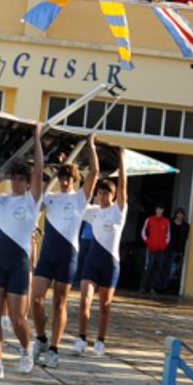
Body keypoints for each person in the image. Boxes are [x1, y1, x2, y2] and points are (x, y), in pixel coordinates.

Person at [0, 124, 45, 379]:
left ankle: (26, 350)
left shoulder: (32, 200)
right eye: (13, 179)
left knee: (17, 318)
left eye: (20, 179)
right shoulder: (3, 200)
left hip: (18, 264)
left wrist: (36, 137)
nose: (16, 183)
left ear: (28, 184)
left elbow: (38, 169)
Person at [30, 134, 99, 369]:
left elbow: (95, 173)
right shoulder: (50, 198)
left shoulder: (80, 198)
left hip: (67, 256)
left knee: (60, 302)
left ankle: (54, 349)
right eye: (61, 177)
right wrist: (38, 141)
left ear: (75, 179)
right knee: (35, 299)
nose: (65, 181)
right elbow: (36, 186)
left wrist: (91, 146)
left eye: (68, 177)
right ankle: (41, 338)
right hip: (48, 255)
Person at [74, 149, 127, 356]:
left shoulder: (118, 211)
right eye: (100, 193)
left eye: (107, 193)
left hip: (110, 265)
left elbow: (123, 186)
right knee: (85, 299)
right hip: (92, 262)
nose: (103, 196)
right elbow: (78, 199)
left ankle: (100, 340)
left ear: (113, 196)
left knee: (104, 305)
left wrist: (122, 160)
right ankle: (81, 338)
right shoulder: (92, 211)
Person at [139, 206, 172, 293]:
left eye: (161, 209)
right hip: (151, 248)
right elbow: (143, 231)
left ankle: (152, 287)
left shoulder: (166, 221)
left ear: (163, 210)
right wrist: (148, 242)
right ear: (155, 210)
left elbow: (168, 235)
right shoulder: (149, 219)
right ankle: (143, 287)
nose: (159, 211)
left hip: (161, 249)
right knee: (148, 267)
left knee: (158, 268)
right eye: (158, 209)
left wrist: (164, 245)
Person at [165, 207, 190, 294]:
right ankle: (161, 286)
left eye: (181, 214)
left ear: (183, 215)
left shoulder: (186, 226)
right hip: (167, 248)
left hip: (177, 251)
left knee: (173, 270)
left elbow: (185, 238)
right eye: (178, 213)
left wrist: (181, 252)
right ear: (176, 214)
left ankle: (166, 287)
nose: (179, 215)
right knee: (164, 268)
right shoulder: (170, 223)